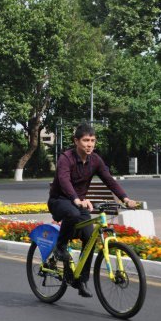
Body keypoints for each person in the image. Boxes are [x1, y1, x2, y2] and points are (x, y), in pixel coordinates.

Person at [48, 123, 137, 298]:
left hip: (79, 203)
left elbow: (109, 180)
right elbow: (64, 181)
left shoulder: (95, 160)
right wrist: (76, 199)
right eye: (86, 140)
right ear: (76, 141)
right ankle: (60, 246)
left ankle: (80, 280)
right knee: (72, 213)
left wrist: (125, 198)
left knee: (90, 238)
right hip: (59, 200)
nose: (90, 144)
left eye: (93, 141)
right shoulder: (66, 158)